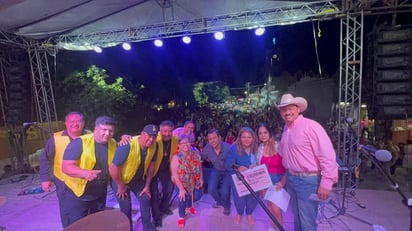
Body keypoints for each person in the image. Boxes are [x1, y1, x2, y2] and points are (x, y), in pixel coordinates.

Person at [276, 93, 338, 231]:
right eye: (283, 109)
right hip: (292, 179)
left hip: (308, 180)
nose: (287, 112)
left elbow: (327, 155)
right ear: (280, 112)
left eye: (290, 108)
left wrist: (326, 182)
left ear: (298, 109)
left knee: (307, 222)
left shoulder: (311, 126)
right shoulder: (286, 129)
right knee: (297, 218)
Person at [61, 115, 117, 227]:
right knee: (77, 225)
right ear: (95, 129)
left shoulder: (113, 143)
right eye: (104, 130)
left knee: (97, 221)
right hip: (78, 193)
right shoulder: (79, 143)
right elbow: (66, 167)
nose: (107, 134)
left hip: (100, 191)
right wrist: (85, 173)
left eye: (111, 131)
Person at [39, 111, 89, 228]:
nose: (75, 124)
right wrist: (45, 179)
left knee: (86, 211)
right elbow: (45, 159)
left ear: (83, 123)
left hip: (86, 180)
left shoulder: (90, 136)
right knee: (68, 212)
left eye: (78, 121)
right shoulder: (56, 138)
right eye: (72, 121)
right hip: (64, 182)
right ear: (66, 123)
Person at [109, 124, 159, 231]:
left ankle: (147, 227)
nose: (151, 139)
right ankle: (128, 229)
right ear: (142, 134)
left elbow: (151, 167)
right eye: (148, 136)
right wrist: (120, 186)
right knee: (126, 207)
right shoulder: (127, 145)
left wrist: (147, 186)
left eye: (154, 137)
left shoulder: (155, 146)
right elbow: (113, 168)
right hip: (121, 180)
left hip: (137, 180)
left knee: (145, 198)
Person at [225, 127, 259, 225]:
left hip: (254, 179)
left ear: (253, 138)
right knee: (239, 199)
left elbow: (263, 162)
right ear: (239, 138)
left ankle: (249, 213)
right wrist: (238, 167)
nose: (246, 139)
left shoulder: (257, 149)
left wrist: (257, 165)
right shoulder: (233, 149)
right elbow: (228, 164)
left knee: (253, 198)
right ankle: (239, 213)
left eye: (249, 137)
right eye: (244, 137)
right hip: (239, 179)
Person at [256, 123, 286, 231]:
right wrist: (261, 186)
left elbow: (288, 166)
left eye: (265, 132)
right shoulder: (260, 148)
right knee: (269, 207)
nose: (263, 135)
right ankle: (272, 227)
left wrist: (283, 182)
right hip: (265, 182)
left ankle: (280, 228)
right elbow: (259, 167)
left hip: (278, 182)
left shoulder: (279, 146)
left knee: (276, 209)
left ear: (269, 133)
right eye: (260, 133)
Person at [170, 134, 203, 228]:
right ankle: (181, 216)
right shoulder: (176, 157)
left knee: (196, 195)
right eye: (183, 143)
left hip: (192, 180)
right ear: (179, 145)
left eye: (187, 142)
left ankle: (189, 207)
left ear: (190, 143)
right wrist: (181, 189)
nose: (185, 144)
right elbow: (175, 174)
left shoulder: (195, 153)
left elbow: (199, 166)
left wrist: (201, 178)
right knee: (182, 198)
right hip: (180, 181)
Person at [150, 120, 179, 228]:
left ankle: (164, 207)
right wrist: (126, 136)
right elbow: (140, 137)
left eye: (170, 131)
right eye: (165, 131)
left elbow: (185, 143)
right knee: (155, 193)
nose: (167, 134)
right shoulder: (155, 139)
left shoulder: (175, 139)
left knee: (169, 188)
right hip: (153, 170)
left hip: (166, 169)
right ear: (160, 131)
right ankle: (157, 218)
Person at [202, 128, 231, 216]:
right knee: (211, 189)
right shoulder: (207, 148)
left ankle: (226, 206)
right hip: (216, 169)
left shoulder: (228, 148)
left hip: (227, 171)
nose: (212, 141)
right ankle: (219, 201)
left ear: (219, 138)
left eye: (214, 138)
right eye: (210, 139)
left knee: (225, 191)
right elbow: (204, 157)